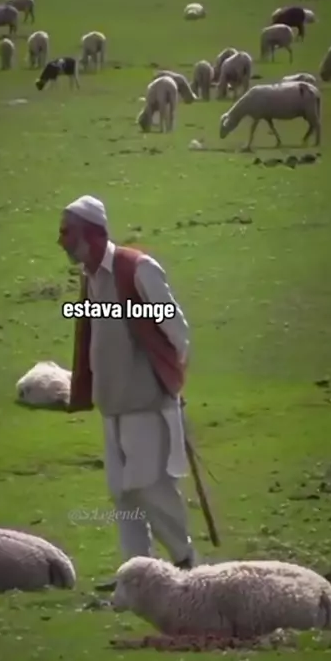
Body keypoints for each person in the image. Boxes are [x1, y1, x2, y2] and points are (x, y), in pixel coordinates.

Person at [58, 194, 197, 589]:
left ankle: (186, 562)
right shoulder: (90, 277)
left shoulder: (137, 268)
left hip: (146, 402)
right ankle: (137, 576)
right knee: (123, 493)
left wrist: (168, 375)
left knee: (151, 486)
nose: (61, 241)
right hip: (113, 404)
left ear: (91, 234)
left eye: (67, 232)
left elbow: (177, 330)